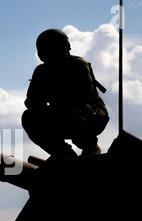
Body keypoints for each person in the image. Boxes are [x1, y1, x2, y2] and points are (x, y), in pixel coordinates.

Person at [22, 29, 109, 159]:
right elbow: (31, 103)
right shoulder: (41, 72)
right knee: (29, 117)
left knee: (74, 112)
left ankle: (90, 147)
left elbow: (82, 97)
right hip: (62, 115)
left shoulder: (78, 65)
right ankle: (63, 154)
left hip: (92, 115)